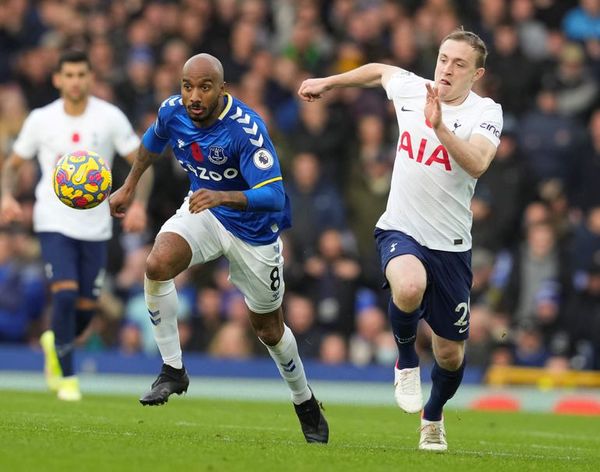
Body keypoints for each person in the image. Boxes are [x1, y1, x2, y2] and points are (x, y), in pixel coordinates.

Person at [298, 29, 503, 451]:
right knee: (408, 286)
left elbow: (479, 163)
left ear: (476, 74)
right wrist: (327, 83)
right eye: (444, 58)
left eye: (459, 64)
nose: (447, 68)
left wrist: (440, 129)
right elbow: (378, 72)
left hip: (450, 246)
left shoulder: (486, 112)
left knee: (450, 356)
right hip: (401, 228)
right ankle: (406, 359)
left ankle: (433, 416)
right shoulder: (414, 89)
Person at [109, 53, 328, 444]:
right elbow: (150, 144)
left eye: (204, 87)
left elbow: (275, 195)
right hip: (205, 210)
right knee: (156, 264)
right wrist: (129, 186)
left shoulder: (246, 129)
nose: (193, 96)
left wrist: (224, 196)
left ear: (222, 89)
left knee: (269, 330)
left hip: (254, 232)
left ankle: (304, 400)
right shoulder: (172, 111)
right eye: (187, 86)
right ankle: (173, 370)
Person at [0, 50, 149, 401]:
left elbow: (142, 161)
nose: (75, 81)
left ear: (90, 78)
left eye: (81, 74)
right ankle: (67, 378)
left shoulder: (109, 117)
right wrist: (7, 196)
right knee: (64, 294)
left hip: (96, 228)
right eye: (69, 75)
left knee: (84, 311)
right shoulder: (42, 119)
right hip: (54, 223)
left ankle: (55, 340)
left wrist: (138, 201)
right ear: (58, 79)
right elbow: (13, 163)